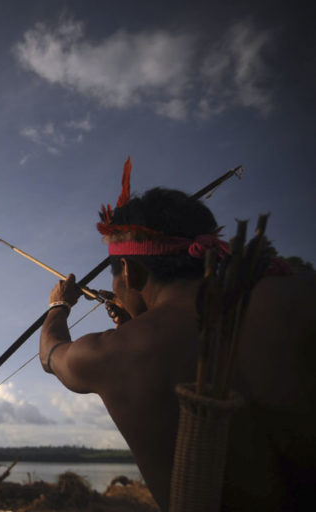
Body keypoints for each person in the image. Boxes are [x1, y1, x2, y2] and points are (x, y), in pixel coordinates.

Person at [40, 184, 316, 511]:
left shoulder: (114, 355)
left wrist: (59, 304)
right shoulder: (299, 293)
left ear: (128, 270)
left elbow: (51, 352)